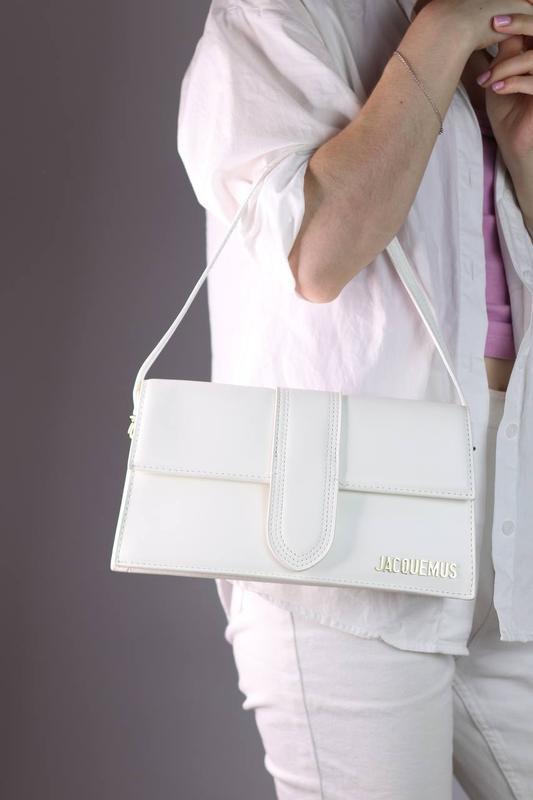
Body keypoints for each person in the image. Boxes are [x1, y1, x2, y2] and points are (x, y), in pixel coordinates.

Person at [177, 0, 533, 796]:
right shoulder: (278, 17)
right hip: (340, 544)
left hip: (514, 532)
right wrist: (442, 32)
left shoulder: (507, 39)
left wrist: (522, 155)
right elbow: (318, 255)